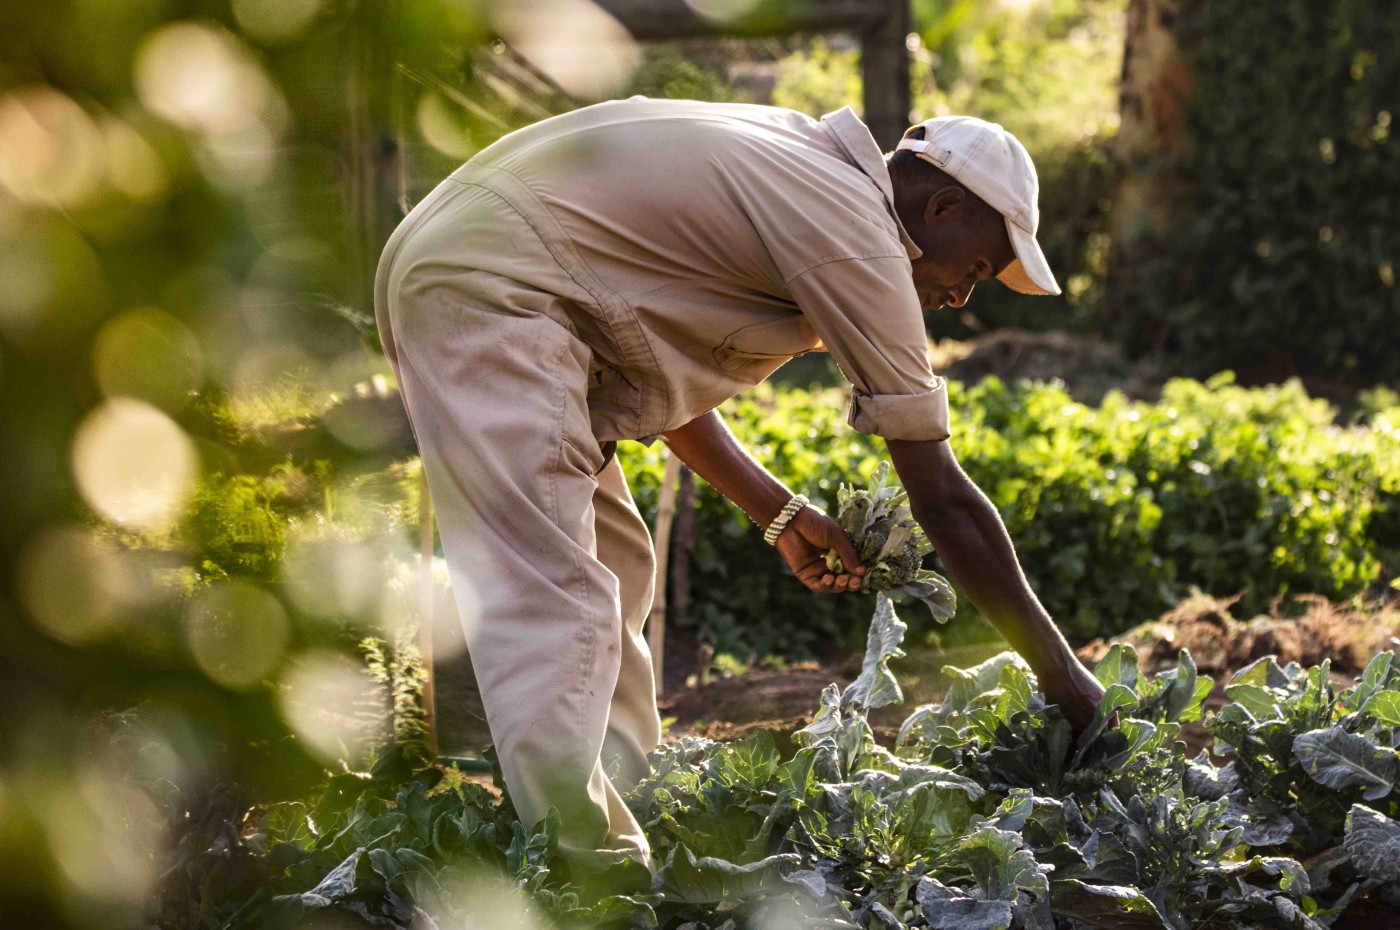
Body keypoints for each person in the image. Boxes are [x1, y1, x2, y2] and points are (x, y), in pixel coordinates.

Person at [372, 97, 1106, 878]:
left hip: (488, 265)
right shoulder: (855, 230)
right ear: (945, 205)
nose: (962, 295)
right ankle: (593, 881)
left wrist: (780, 512)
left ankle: (629, 801)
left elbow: (649, 357)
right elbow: (943, 498)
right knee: (552, 597)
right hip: (493, 287)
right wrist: (1069, 684)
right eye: (978, 266)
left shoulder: (805, 170)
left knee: (617, 568)